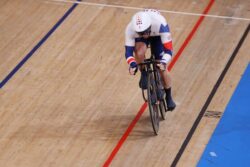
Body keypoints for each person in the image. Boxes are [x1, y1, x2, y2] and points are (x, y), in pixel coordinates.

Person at [124, 9, 176, 111]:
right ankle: (143, 72)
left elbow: (169, 51)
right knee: (139, 52)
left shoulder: (161, 24)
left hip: (157, 35)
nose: (143, 34)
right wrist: (133, 64)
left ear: (149, 26)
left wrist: (163, 62)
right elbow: (128, 53)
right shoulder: (130, 29)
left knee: (162, 68)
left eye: (144, 32)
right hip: (144, 38)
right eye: (140, 33)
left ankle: (169, 96)